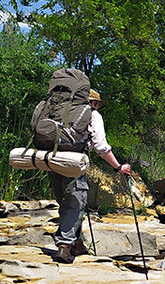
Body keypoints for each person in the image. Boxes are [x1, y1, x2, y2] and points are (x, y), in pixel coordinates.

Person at [51, 88, 133, 262]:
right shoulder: (93, 115)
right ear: (93, 102)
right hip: (75, 162)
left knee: (64, 201)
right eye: (97, 104)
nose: (98, 108)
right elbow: (101, 146)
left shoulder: (61, 111)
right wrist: (118, 167)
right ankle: (65, 247)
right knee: (75, 203)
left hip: (52, 159)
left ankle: (77, 243)